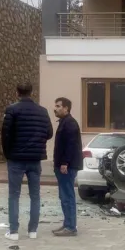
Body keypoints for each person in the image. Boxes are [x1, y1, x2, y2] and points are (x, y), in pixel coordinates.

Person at [1, 82, 53, 241]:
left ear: (17, 92)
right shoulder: (43, 111)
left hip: (16, 159)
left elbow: (5, 134)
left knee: (14, 195)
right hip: (35, 159)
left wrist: (8, 154)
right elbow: (49, 133)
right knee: (35, 196)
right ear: (31, 92)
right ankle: (33, 231)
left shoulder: (12, 110)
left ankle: (14, 232)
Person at [51, 97, 83, 237]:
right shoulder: (64, 122)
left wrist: (65, 163)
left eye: (58, 106)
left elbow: (71, 145)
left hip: (67, 167)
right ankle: (67, 224)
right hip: (63, 165)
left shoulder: (70, 123)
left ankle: (70, 227)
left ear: (66, 108)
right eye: (55, 106)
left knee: (67, 196)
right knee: (64, 196)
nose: (55, 108)